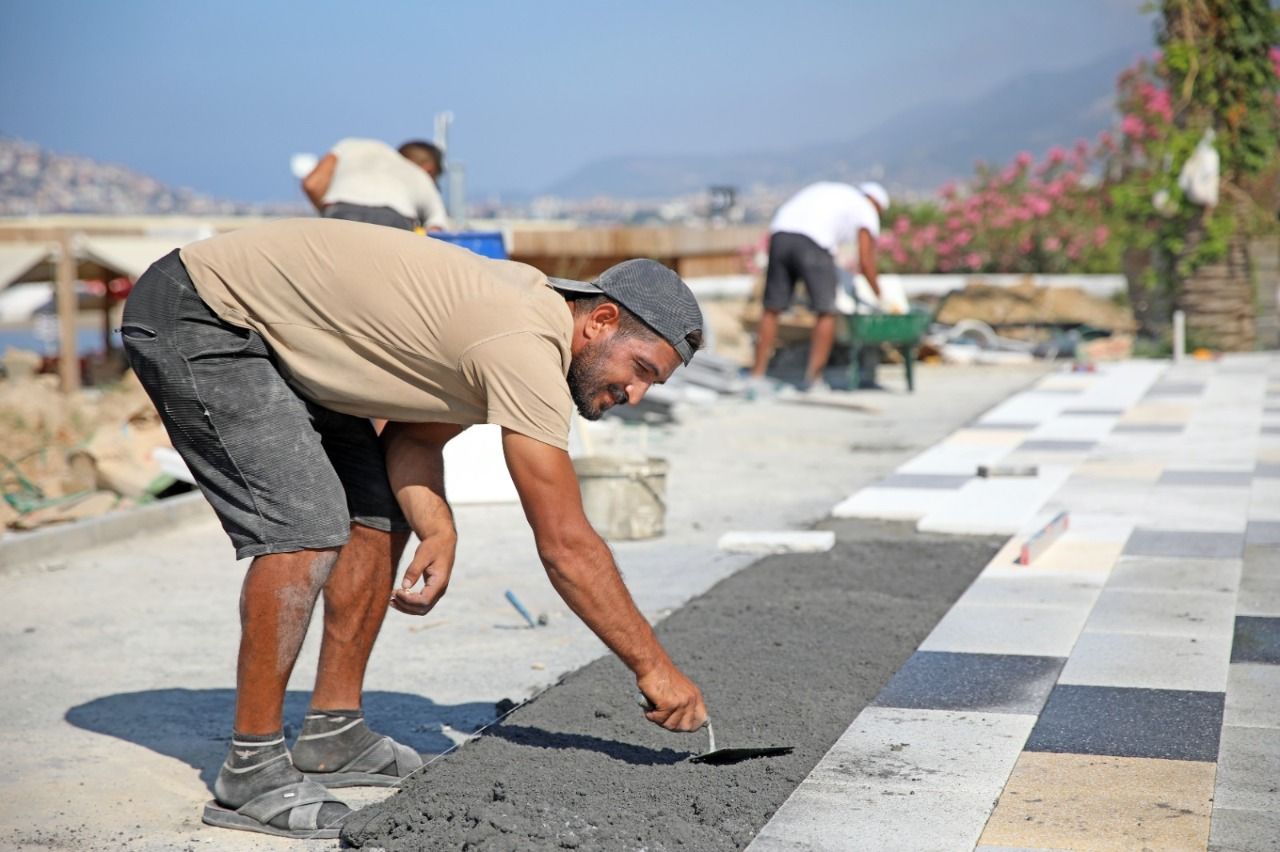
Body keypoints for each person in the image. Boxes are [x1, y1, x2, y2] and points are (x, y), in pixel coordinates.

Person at [120, 219, 708, 839]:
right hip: (204, 311)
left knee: (374, 510)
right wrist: (652, 666)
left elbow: (413, 435)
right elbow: (565, 543)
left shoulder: (528, 334)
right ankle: (250, 769)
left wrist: (437, 525)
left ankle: (334, 733)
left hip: (273, 337)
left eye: (654, 383)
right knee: (307, 525)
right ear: (602, 321)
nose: (637, 394)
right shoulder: (521, 340)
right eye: (640, 368)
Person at [747, 181, 890, 393]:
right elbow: (866, 261)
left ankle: (756, 378)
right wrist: (881, 297)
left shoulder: (834, 192)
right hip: (813, 241)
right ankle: (814, 380)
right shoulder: (865, 207)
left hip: (780, 235)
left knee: (772, 308)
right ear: (876, 203)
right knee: (826, 311)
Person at [301, 138, 448, 231]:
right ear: (429, 169)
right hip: (395, 220)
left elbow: (312, 184)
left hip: (341, 212)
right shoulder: (419, 174)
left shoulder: (348, 146)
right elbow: (437, 229)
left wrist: (328, 211)